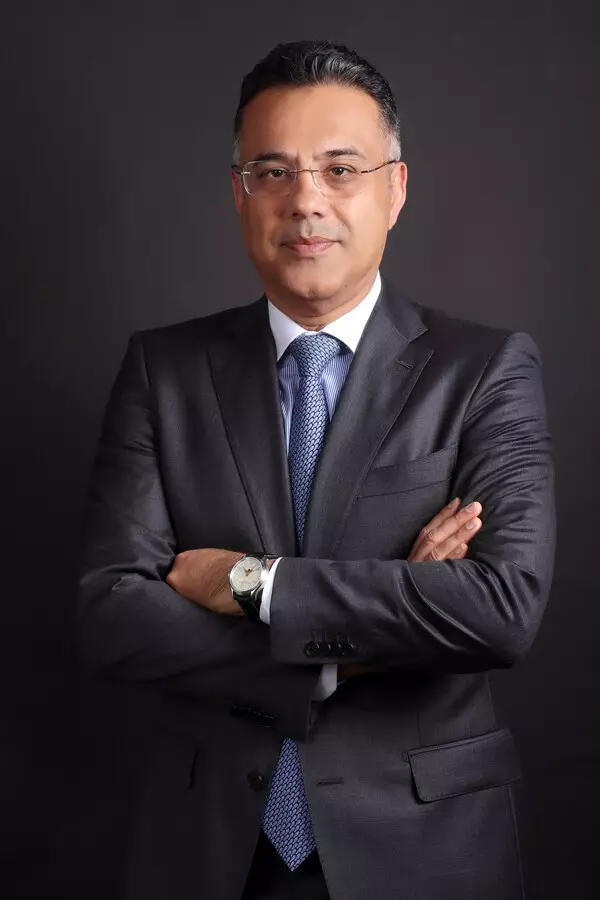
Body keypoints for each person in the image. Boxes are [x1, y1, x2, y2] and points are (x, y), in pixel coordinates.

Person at [76, 39, 555, 900]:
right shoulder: (164, 370)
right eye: (273, 172)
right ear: (239, 193)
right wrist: (359, 647)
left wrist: (254, 585)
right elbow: (112, 613)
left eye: (340, 169)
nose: (306, 200)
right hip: (208, 847)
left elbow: (500, 610)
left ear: (394, 190)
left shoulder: (485, 370)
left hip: (425, 850)